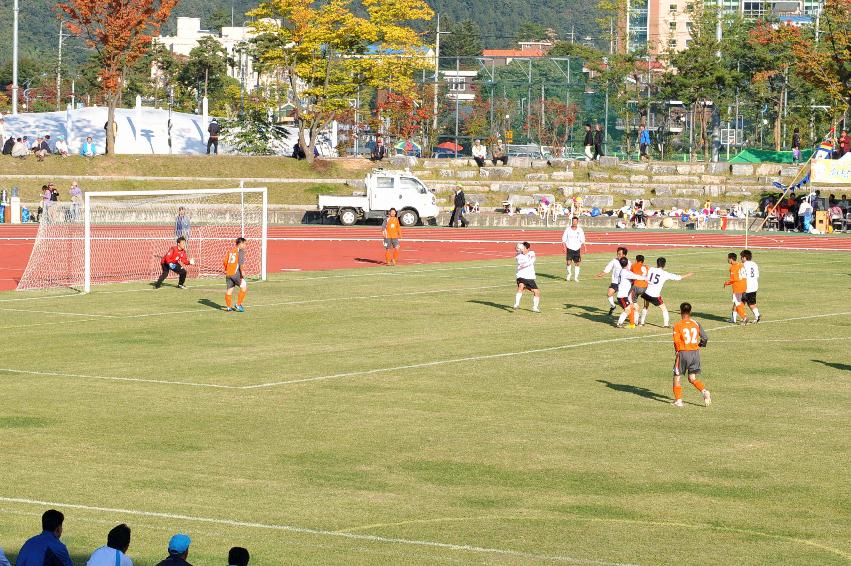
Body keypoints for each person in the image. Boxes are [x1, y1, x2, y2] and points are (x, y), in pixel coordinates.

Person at [671, 302, 711, 408]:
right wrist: (700, 345)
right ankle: (704, 391)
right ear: (690, 311)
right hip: (695, 353)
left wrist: (677, 351)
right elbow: (705, 338)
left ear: (680, 311)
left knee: (677, 376)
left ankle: (678, 400)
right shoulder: (696, 323)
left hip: (684, 352)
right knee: (692, 378)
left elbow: (676, 341)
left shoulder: (677, 325)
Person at [638, 257, 693, 327]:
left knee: (645, 306)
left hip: (647, 293)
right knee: (664, 309)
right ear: (664, 264)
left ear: (657, 263)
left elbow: (645, 271)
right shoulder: (665, 273)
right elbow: (678, 277)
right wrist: (688, 275)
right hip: (655, 295)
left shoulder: (651, 269)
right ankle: (666, 324)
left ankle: (642, 322)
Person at [596, 246, 630, 315]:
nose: (618, 255)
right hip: (615, 282)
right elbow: (608, 268)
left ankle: (628, 311)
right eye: (618, 254)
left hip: (624, 284)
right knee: (609, 294)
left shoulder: (628, 262)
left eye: (620, 254)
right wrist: (602, 274)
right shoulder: (614, 261)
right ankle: (613, 306)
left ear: (624, 255)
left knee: (623, 300)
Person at [614, 256, 645, 328]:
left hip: (624, 296)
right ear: (627, 264)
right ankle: (620, 324)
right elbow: (636, 276)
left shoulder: (622, 271)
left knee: (632, 308)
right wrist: (645, 278)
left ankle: (633, 323)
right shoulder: (626, 273)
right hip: (622, 296)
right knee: (628, 310)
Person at [513, 242, 540, 312]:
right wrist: (518, 249)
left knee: (536, 292)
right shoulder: (518, 256)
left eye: (523, 248)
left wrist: (530, 260)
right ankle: (516, 304)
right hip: (521, 275)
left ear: (528, 248)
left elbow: (533, 260)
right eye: (521, 248)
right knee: (521, 286)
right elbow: (526, 263)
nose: (522, 249)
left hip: (530, 276)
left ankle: (535, 307)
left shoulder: (532, 253)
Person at [223, 237, 248, 312]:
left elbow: (225, 262)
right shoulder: (240, 251)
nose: (245, 246)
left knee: (229, 290)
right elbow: (240, 264)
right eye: (244, 244)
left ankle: (228, 307)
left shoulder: (230, 251)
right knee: (244, 287)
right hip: (235, 274)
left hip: (228, 274)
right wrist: (242, 272)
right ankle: (238, 304)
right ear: (240, 244)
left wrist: (225, 270)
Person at [723, 252, 748, 324]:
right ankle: (733, 319)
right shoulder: (741, 264)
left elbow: (734, 279)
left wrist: (727, 283)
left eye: (728, 259)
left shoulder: (733, 267)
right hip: (744, 285)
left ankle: (744, 317)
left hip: (737, 287)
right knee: (737, 302)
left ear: (731, 259)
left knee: (737, 303)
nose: (727, 260)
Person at [561, 216, 586, 282]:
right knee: (568, 262)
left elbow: (583, 239)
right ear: (571, 222)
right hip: (569, 248)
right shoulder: (568, 229)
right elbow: (563, 239)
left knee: (577, 263)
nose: (574, 222)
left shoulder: (580, 230)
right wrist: (564, 247)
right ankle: (569, 274)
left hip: (577, 248)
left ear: (577, 222)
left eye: (575, 221)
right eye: (573, 221)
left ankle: (576, 277)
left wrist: (585, 247)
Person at [740, 249, 760, 323]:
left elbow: (742, 276)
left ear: (744, 257)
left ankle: (743, 317)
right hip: (754, 286)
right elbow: (757, 275)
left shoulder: (743, 265)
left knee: (740, 303)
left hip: (746, 287)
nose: (741, 259)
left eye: (741, 257)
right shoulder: (754, 264)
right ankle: (757, 315)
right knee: (751, 303)